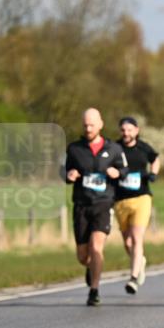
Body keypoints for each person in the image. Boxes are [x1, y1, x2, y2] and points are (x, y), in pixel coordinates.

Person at [64, 108, 129, 306]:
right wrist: (69, 175)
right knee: (83, 255)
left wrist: (118, 173)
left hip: (103, 203)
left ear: (100, 125)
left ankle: (94, 290)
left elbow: (125, 169)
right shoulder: (74, 149)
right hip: (82, 204)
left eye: (92, 125)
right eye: (85, 125)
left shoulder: (114, 149)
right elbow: (64, 171)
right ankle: (90, 267)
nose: (88, 129)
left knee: (96, 247)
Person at [114, 116, 160, 295]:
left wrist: (153, 173)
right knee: (127, 243)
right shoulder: (115, 148)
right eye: (123, 130)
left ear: (137, 130)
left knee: (136, 238)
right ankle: (140, 261)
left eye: (129, 130)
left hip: (142, 197)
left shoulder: (143, 148)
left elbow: (155, 159)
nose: (126, 133)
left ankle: (133, 278)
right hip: (121, 200)